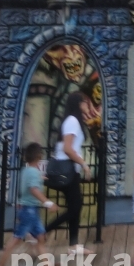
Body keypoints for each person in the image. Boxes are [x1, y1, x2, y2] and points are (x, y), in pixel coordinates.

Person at [0, 143, 58, 266]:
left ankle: (47, 264)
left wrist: (41, 179)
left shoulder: (26, 171)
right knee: (16, 239)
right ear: (40, 156)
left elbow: (26, 185)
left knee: (40, 237)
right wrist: (48, 202)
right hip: (30, 211)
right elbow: (33, 189)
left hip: (29, 210)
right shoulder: (34, 173)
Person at [46, 92, 93, 254]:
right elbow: (67, 148)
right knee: (74, 208)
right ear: (78, 104)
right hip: (68, 168)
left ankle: (74, 245)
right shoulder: (72, 121)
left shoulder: (72, 121)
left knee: (75, 207)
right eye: (85, 102)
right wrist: (84, 164)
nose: (88, 104)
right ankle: (42, 231)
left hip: (70, 168)